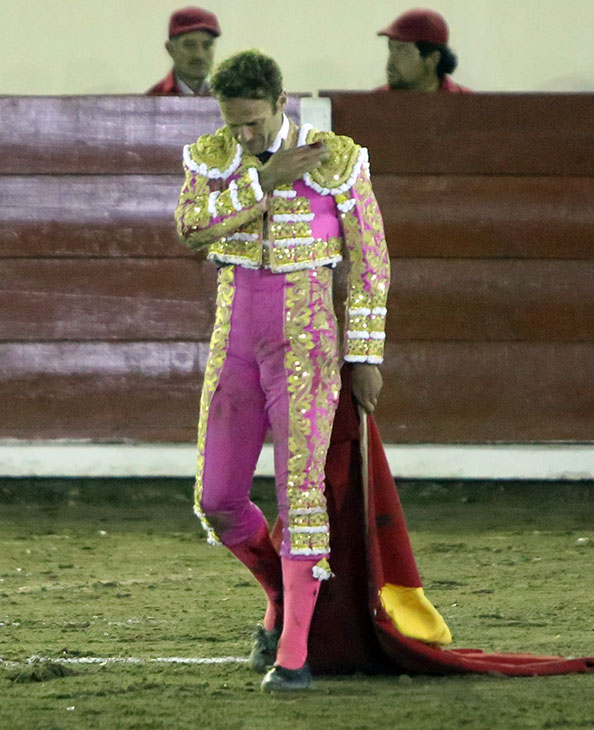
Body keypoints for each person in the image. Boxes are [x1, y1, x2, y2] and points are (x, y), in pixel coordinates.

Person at [174, 49, 390, 691]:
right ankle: (278, 595)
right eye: (232, 124)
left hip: (307, 338)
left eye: (253, 123)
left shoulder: (338, 159)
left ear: (279, 101)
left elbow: (371, 264)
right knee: (217, 498)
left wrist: (365, 356)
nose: (243, 135)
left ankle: (293, 654)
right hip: (234, 331)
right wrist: (260, 181)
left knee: (301, 493)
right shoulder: (211, 157)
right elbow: (189, 230)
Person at [378, 8, 471, 92]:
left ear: (432, 59)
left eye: (403, 52)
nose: (390, 62)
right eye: (391, 49)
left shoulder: (469, 107)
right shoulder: (375, 103)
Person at [146, 6, 220, 95]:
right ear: (170, 49)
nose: (200, 55)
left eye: (207, 45)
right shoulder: (153, 100)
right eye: (189, 45)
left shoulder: (226, 98)